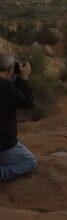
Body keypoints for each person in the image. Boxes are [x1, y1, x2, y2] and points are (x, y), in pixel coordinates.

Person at [0, 54, 38, 183]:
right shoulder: (4, 87)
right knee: (30, 162)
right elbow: (27, 102)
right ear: (10, 70)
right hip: (3, 144)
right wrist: (24, 79)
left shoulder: (6, 86)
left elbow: (14, 96)